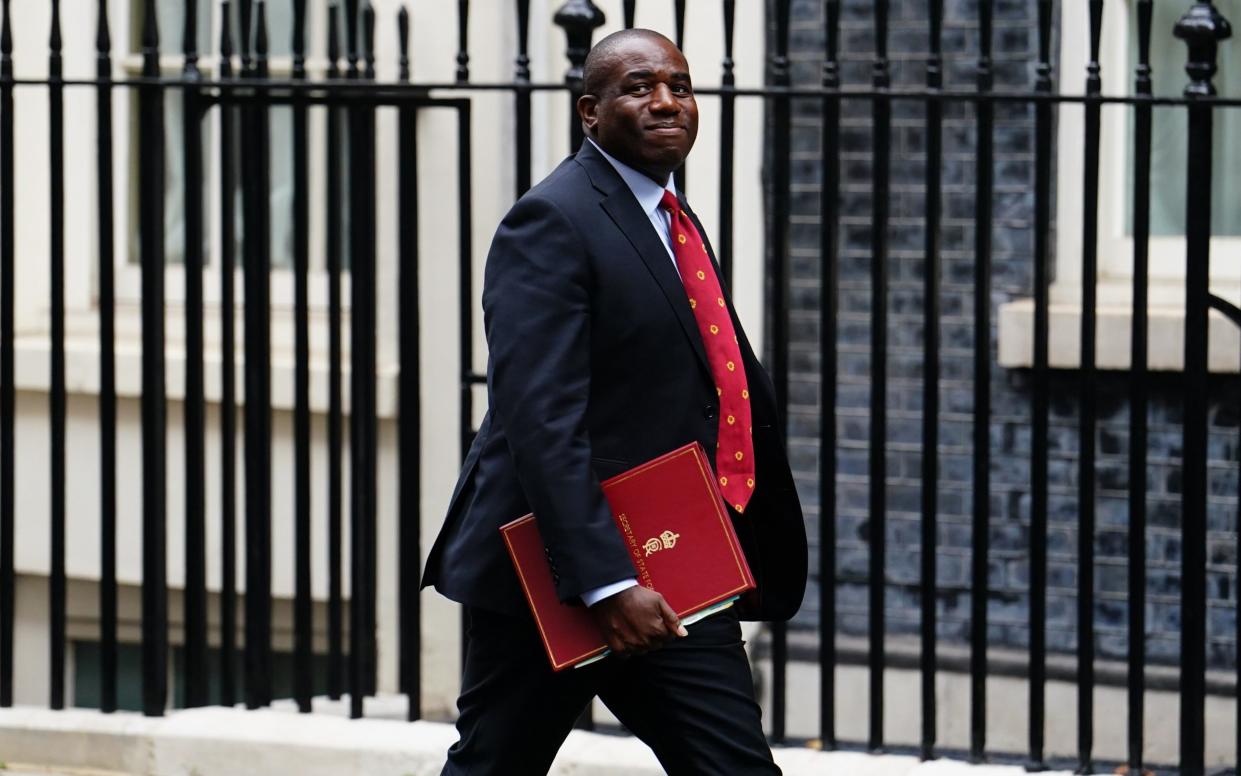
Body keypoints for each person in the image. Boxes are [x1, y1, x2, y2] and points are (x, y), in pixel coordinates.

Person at [422, 28, 807, 776]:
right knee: (494, 764)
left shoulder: (669, 217)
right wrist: (607, 582)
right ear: (589, 112)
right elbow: (541, 421)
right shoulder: (553, 222)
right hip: (566, 578)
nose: (666, 102)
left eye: (679, 85)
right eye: (638, 87)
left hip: (676, 568)